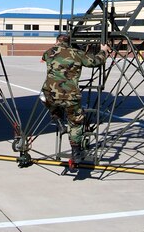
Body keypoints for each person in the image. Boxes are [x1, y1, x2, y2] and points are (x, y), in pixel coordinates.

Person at [41, 33, 110, 168]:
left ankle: (57, 119)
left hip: (50, 94)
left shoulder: (48, 52)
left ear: (57, 42)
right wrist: (103, 51)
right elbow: (95, 62)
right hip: (70, 96)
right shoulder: (77, 53)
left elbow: (45, 58)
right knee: (75, 122)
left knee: (45, 100)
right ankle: (76, 151)